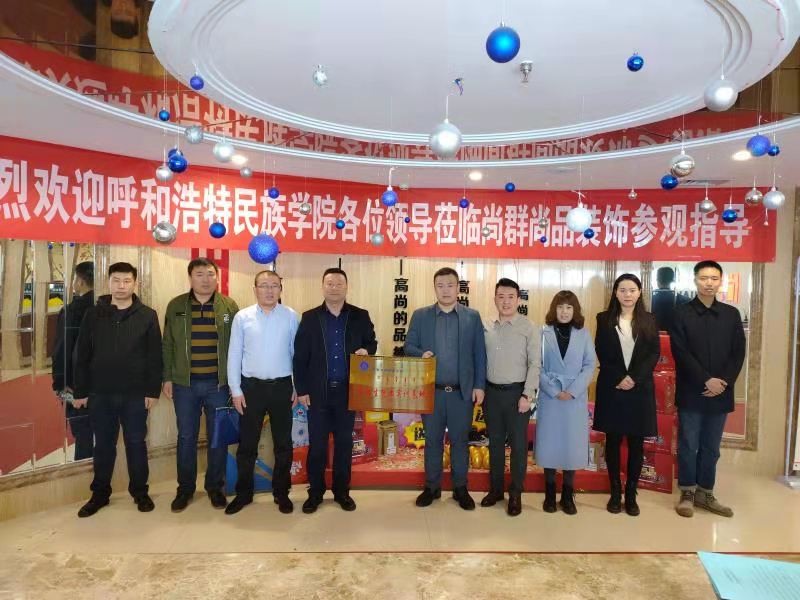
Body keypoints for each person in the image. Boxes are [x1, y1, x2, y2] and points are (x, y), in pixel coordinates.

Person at [72, 262, 162, 518]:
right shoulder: (93, 314)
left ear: (135, 283)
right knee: (103, 445)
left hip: (135, 395)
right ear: (108, 282)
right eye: (116, 280)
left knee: (136, 443)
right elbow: (82, 354)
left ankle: (140, 492)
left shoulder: (147, 315)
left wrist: (152, 391)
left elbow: (155, 355)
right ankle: (100, 494)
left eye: (126, 281)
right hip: (101, 394)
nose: (121, 286)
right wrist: (80, 391)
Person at [293, 268, 377, 513]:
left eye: (339, 283)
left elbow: (371, 342)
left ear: (346, 287)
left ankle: (342, 492)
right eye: (330, 283)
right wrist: (302, 389)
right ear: (323, 287)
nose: (334, 287)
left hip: (348, 392)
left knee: (343, 444)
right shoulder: (310, 317)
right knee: (317, 446)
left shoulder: (360, 315)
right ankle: (315, 493)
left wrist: (367, 350)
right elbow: (300, 357)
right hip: (317, 393)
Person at [405, 267, 487, 511]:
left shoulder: (472, 317)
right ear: (434, 288)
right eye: (440, 285)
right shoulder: (421, 316)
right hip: (432, 392)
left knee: (461, 441)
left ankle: (461, 488)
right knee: (432, 441)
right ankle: (432, 487)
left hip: (462, 393)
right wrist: (421, 354)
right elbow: (408, 346)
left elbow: (479, 354)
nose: (445, 290)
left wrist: (479, 385)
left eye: (450, 285)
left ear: (458, 287)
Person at [162, 258, 239, 512]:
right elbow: (168, 345)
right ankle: (185, 489)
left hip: (219, 385)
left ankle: (215, 487)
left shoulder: (229, 306)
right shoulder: (176, 306)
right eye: (199, 274)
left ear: (217, 277)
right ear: (190, 278)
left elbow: (237, 346)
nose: (205, 279)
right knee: (186, 436)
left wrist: (234, 382)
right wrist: (167, 377)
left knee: (218, 438)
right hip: (185, 386)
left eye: (210, 274)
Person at [671, 260, 745, 518]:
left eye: (714, 278)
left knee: (712, 447)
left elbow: (738, 352)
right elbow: (680, 352)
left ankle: (706, 492)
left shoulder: (731, 314)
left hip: (721, 392)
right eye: (704, 278)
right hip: (692, 390)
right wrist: (706, 380)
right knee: (688, 444)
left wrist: (723, 381)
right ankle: (687, 492)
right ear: (695, 280)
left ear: (721, 281)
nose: (709, 283)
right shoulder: (681, 313)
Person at [225, 270, 298, 515]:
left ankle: (282, 492)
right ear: (254, 289)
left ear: (281, 289)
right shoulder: (242, 317)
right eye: (264, 285)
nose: (269, 290)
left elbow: (296, 354)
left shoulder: (290, 316)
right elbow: (234, 354)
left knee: (283, 444)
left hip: (282, 387)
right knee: (247, 444)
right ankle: (243, 494)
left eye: (274, 285)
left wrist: (296, 386)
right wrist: (236, 390)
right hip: (251, 389)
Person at [593, 274, 659, 517]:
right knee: (612, 442)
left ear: (639, 292)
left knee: (636, 444)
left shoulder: (649, 320)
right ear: (616, 292)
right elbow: (601, 350)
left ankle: (631, 495)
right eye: (622, 290)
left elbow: (653, 353)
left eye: (632, 290)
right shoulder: (604, 318)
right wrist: (619, 377)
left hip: (639, 390)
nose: (627, 294)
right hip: (613, 387)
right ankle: (614, 493)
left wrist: (634, 378)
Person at [480, 278, 540, 516]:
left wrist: (528, 394)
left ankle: (515, 493)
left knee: (518, 446)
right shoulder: (486, 325)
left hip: (518, 395)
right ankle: (496, 490)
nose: (505, 302)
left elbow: (535, 363)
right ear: (495, 299)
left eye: (510, 297)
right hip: (491, 394)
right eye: (501, 297)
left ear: (518, 299)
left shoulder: (529, 327)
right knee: (494, 443)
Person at [536, 290, 596, 515]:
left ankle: (568, 496)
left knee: (572, 446)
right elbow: (536, 365)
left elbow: (589, 365)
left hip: (574, 399)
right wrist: (553, 390)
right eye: (560, 307)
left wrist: (572, 391)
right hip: (550, 398)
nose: (564, 311)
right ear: (554, 309)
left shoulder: (584, 334)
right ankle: (550, 495)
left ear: (575, 310)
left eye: (569, 307)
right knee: (549, 445)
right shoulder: (543, 333)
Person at [51, 261, 95, 461]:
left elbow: (62, 350)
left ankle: (83, 473)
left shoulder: (72, 311)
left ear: (80, 282)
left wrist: (59, 383)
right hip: (102, 384)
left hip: (74, 384)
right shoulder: (105, 308)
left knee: (82, 432)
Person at [651, 266, 690, 332]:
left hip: (653, 336)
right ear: (673, 280)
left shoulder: (649, 301)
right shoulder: (685, 300)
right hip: (677, 336)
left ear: (657, 280)